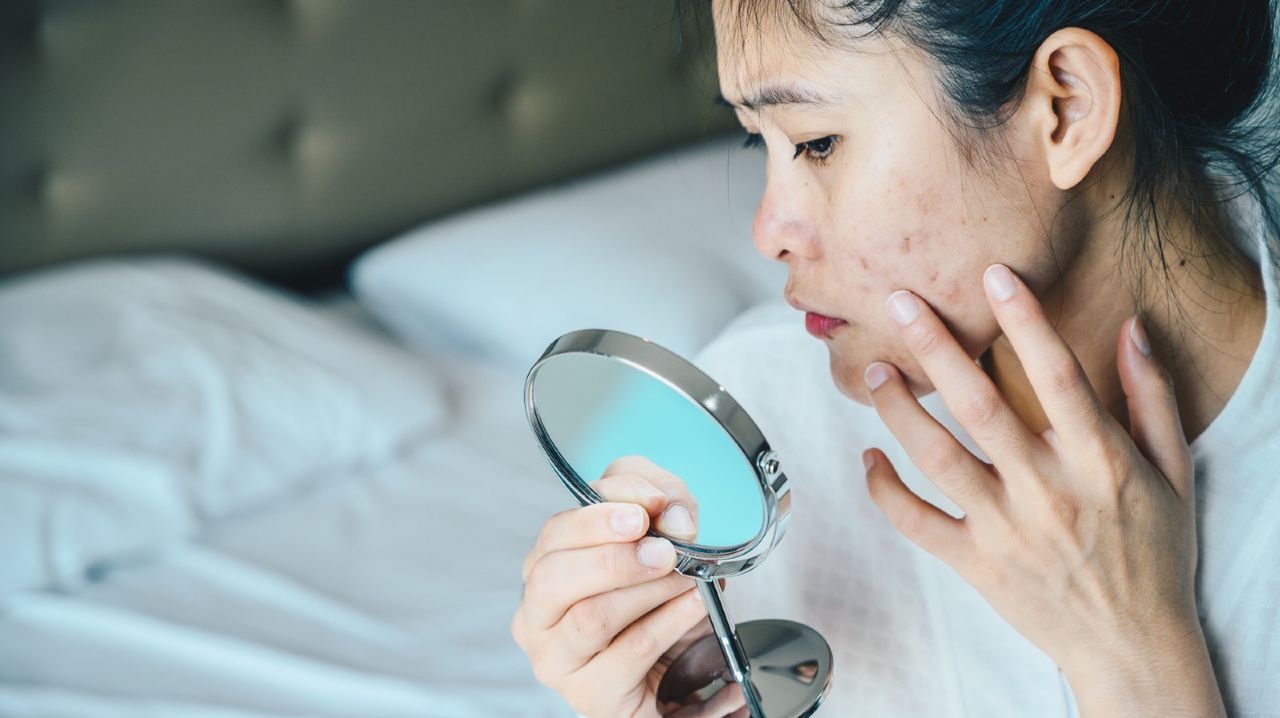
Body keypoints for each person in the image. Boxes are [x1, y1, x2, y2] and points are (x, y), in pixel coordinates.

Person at [511, 0, 1280, 715]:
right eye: (759, 140)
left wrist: (1138, 655)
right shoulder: (747, 435)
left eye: (816, 141)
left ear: (1067, 109)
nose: (768, 231)